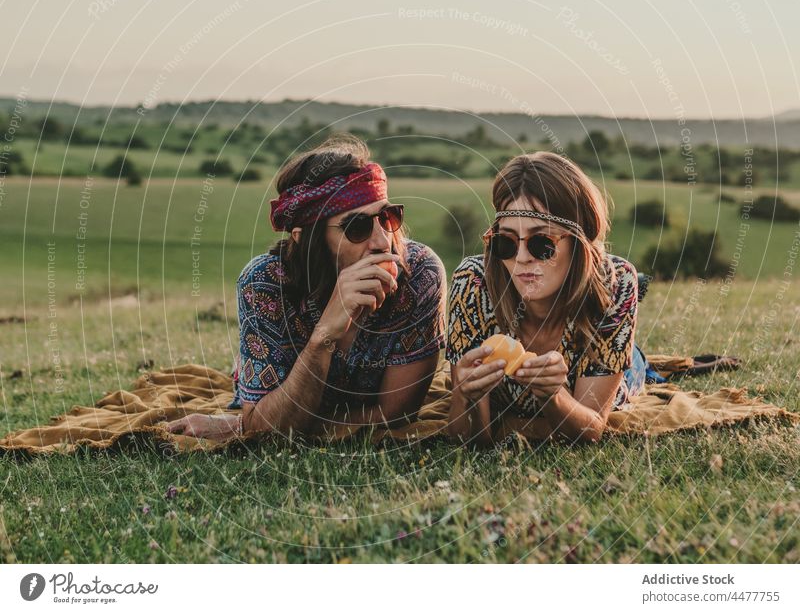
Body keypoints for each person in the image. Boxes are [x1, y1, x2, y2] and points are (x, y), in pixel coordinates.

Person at [166, 135, 446, 441]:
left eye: (387, 217)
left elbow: (397, 413)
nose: (381, 241)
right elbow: (265, 428)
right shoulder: (264, 285)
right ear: (305, 239)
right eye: (357, 227)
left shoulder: (419, 274)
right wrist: (324, 336)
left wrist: (245, 425)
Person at [445, 151, 648, 445]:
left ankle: (638, 356)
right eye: (506, 242)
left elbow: (591, 429)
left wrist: (555, 396)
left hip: (606, 349)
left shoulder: (616, 283)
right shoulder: (473, 283)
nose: (523, 259)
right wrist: (467, 397)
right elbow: (467, 437)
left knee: (638, 369)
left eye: (542, 243)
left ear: (578, 244)